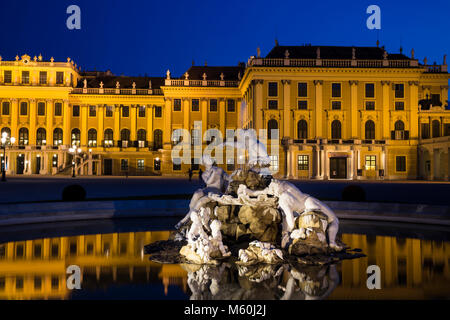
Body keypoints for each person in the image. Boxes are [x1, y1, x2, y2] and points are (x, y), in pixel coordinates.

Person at [241, 178, 341, 250]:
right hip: (308, 200)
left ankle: (329, 242)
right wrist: (249, 192)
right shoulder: (285, 184)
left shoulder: (282, 199)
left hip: (306, 209)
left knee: (327, 221)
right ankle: (332, 242)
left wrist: (286, 233)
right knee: (334, 220)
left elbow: (289, 217)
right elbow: (261, 192)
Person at [175, 155, 229, 229]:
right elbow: (208, 181)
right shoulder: (204, 174)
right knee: (197, 193)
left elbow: (228, 178)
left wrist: (225, 189)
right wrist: (213, 173)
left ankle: (184, 220)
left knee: (200, 201)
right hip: (208, 189)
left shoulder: (219, 170)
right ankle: (190, 212)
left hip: (216, 191)